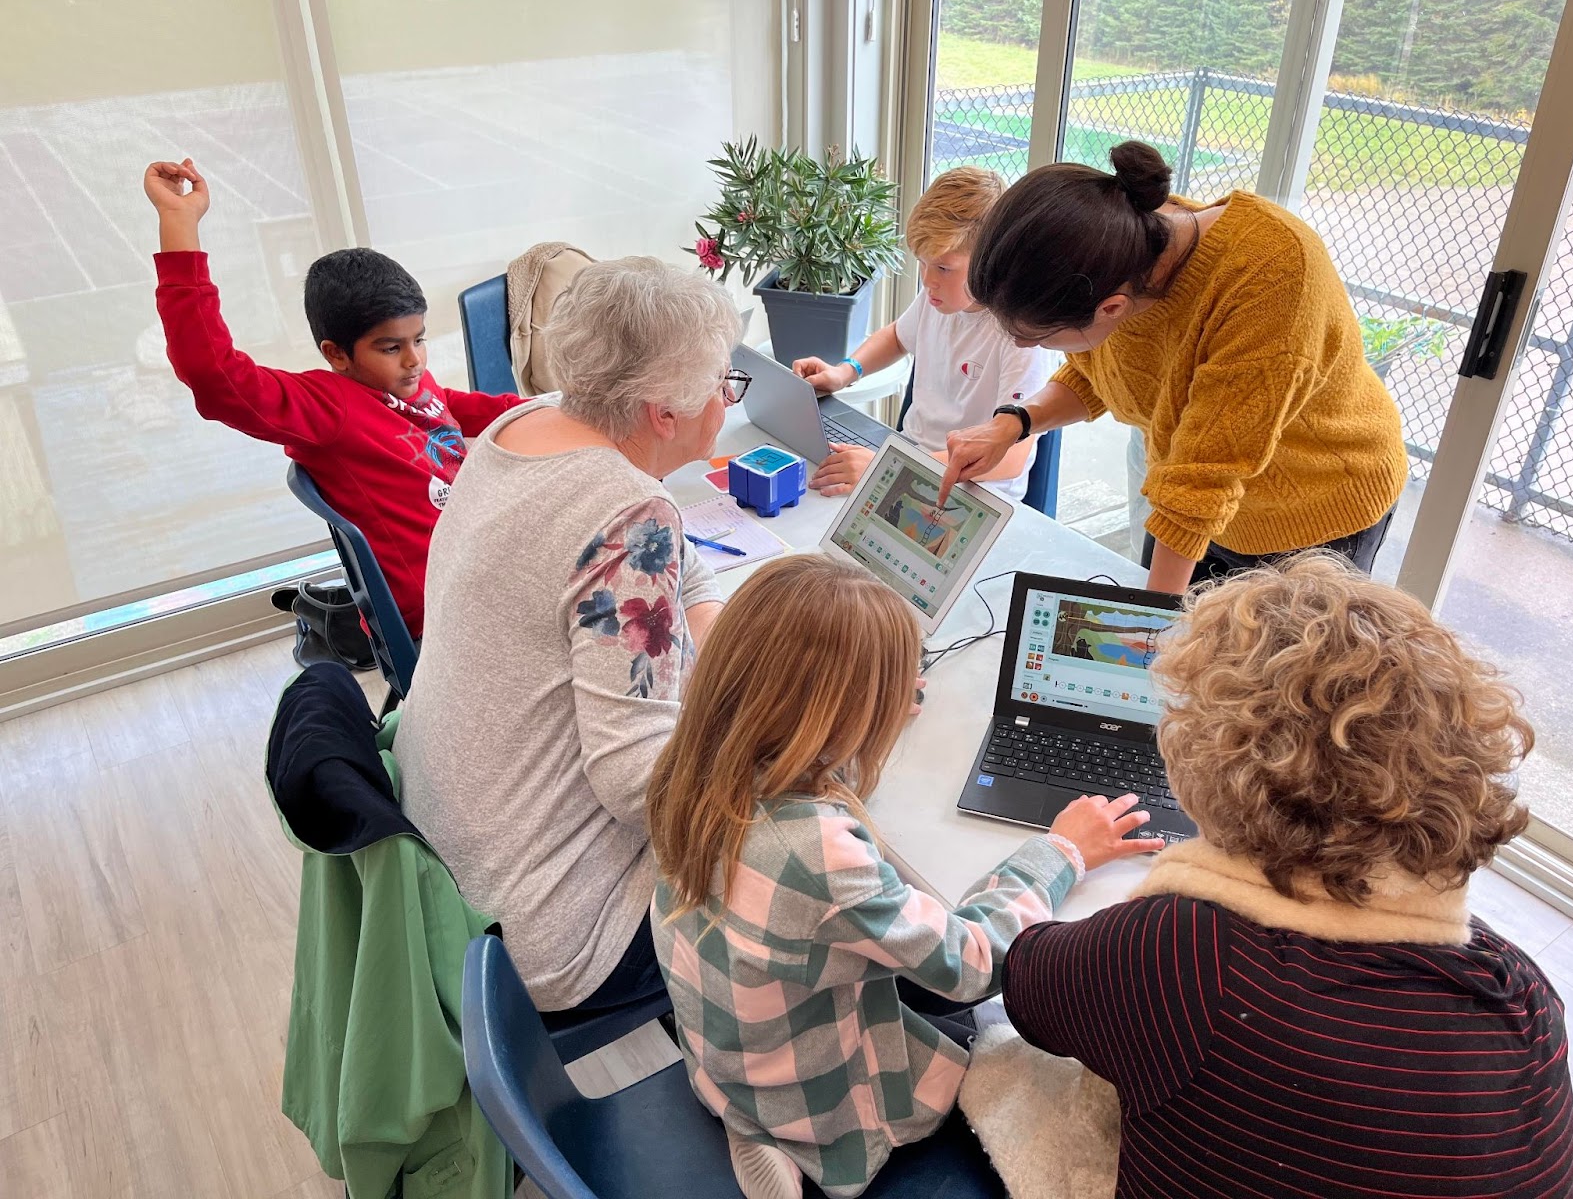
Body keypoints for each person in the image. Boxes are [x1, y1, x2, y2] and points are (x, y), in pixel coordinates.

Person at [1000, 554, 1573, 1199]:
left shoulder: (1189, 956)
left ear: (1209, 759)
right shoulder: (1522, 993)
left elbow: (1022, 980)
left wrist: (1059, 854)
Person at [647, 554, 1154, 1199]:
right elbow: (969, 965)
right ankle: (798, 1145)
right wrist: (1062, 851)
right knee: (998, 1027)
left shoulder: (689, 764)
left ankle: (752, 1123)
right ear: (844, 714)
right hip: (812, 1095)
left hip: (726, 1050)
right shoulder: (817, 853)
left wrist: (856, 716)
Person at [393, 257, 737, 1014]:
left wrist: (739, 650)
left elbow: (669, 568)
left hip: (453, 867)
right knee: (811, 880)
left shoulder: (531, 422)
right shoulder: (626, 513)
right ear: (663, 414)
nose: (727, 399)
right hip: (549, 929)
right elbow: (640, 782)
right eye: (722, 382)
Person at [937, 143, 1409, 593]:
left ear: (1112, 308)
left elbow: (1201, 482)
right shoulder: (1117, 250)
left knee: (1253, 670)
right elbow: (1094, 374)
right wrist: (1014, 423)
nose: (1026, 346)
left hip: (1316, 506)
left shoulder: (1273, 281)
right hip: (1198, 502)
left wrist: (1147, 630)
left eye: (1038, 336)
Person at [143, 159, 520, 638]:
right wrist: (179, 225)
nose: (414, 361)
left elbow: (449, 406)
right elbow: (211, 372)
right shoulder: (327, 408)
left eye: (419, 339)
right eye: (391, 347)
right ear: (337, 354)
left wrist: (555, 407)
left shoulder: (404, 383)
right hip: (445, 611)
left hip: (476, 565)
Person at [791, 167, 1057, 500]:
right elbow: (898, 337)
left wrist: (884, 469)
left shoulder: (1021, 337)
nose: (928, 280)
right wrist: (845, 372)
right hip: (911, 458)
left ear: (992, 260)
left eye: (944, 267)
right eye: (923, 263)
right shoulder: (939, 298)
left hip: (975, 492)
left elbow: (1011, 459)